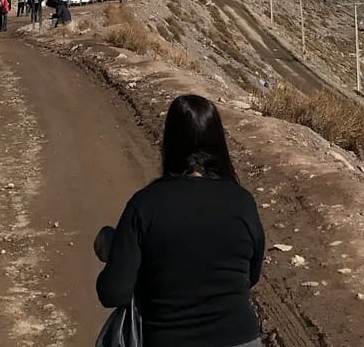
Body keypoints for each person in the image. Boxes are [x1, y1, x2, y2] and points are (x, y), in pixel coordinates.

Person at [95, 95, 265, 347]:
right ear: (218, 141)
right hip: (241, 339)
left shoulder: (145, 204)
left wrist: (120, 252)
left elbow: (113, 292)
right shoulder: (242, 201)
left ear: (169, 142)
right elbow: (251, 275)